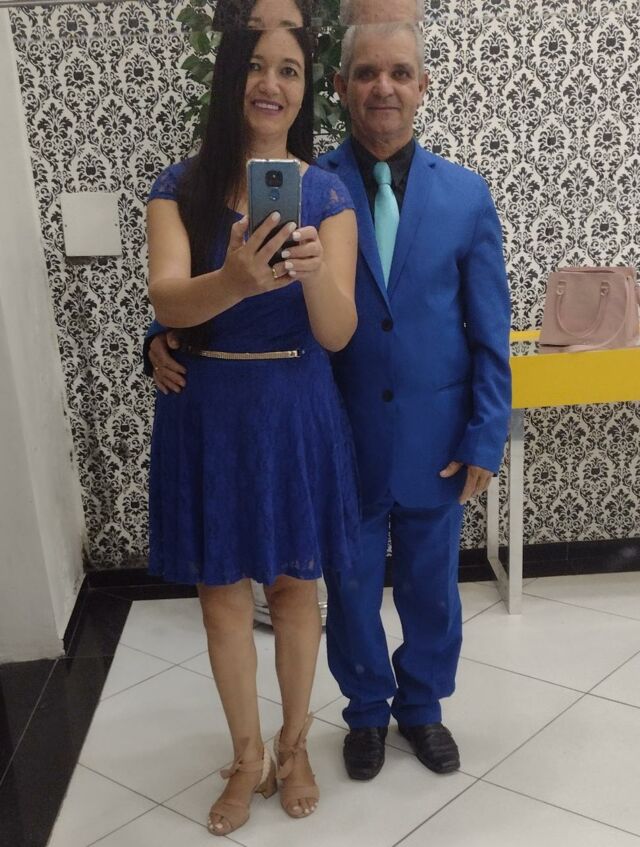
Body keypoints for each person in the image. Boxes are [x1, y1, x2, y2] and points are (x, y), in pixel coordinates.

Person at [148, 19, 511, 783]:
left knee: (432, 588)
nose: (385, 87)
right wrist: (160, 335)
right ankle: (366, 712)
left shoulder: (464, 195)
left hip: (435, 434)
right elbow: (208, 284)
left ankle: (423, 706)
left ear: (422, 87)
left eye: (401, 73)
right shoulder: (312, 180)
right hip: (337, 430)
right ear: (340, 87)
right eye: (367, 72)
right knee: (346, 590)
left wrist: (487, 431)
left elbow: (489, 326)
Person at [145, 6, 358, 837]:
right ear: (230, 74)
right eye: (257, 65)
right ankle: (246, 757)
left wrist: (311, 272)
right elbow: (168, 299)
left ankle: (294, 744)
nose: (272, 83)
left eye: (290, 70)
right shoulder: (180, 187)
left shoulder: (328, 193)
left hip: (294, 405)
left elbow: (337, 332)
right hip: (211, 411)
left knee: (297, 588)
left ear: (306, 91)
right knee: (221, 597)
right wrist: (234, 278)